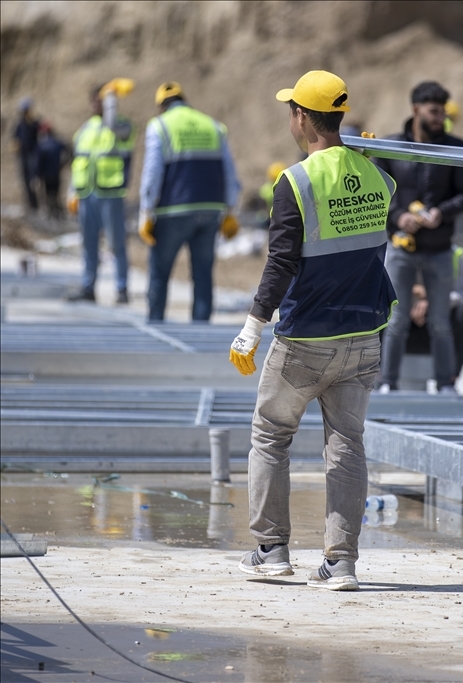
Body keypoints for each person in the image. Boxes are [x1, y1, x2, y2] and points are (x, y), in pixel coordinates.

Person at [228, 70, 396, 591]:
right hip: (365, 334)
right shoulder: (378, 176)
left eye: (291, 110)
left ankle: (271, 550)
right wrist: (366, 156)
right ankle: (341, 562)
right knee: (347, 443)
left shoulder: (294, 182)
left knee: (270, 434)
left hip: (306, 340)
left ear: (303, 117)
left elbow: (280, 264)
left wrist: (252, 327)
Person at [374, 81, 463, 393]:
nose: (440, 118)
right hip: (401, 249)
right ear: (416, 109)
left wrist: (440, 214)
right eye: (434, 111)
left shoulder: (456, 148)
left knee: (441, 322)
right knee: (396, 321)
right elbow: (380, 195)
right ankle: (387, 383)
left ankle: (445, 383)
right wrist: (399, 216)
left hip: (440, 249)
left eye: (443, 111)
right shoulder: (390, 148)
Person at [138, 81, 241, 322]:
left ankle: (156, 325)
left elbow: (152, 173)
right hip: (210, 210)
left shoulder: (159, 125)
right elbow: (229, 171)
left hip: (172, 210)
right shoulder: (213, 126)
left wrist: (146, 210)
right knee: (203, 274)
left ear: (161, 105)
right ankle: (201, 330)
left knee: (160, 273)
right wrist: (231, 209)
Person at [67, 80, 136, 303]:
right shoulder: (84, 130)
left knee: (116, 243)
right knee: (88, 244)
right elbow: (78, 161)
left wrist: (111, 102)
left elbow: (112, 127)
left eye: (102, 99)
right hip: (87, 195)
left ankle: (122, 288)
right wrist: (72, 192)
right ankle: (88, 287)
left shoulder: (121, 125)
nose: (98, 103)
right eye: (96, 99)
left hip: (111, 195)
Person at [404, 246, 463, 382]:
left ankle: (449, 380)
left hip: (437, 329)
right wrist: (406, 300)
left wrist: (434, 300)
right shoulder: (391, 250)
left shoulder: (450, 253)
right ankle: (381, 377)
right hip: (400, 330)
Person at [11, 97, 40, 211]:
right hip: (23, 155)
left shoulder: (34, 123)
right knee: (25, 179)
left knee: (34, 180)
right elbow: (15, 138)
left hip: (33, 154)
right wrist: (14, 145)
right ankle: (31, 204)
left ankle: (38, 204)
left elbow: (39, 137)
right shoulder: (19, 125)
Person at [35, 121, 69, 220]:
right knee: (56, 193)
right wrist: (64, 164)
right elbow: (68, 150)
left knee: (48, 194)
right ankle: (59, 213)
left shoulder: (41, 145)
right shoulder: (57, 142)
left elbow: (38, 162)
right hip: (56, 173)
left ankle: (51, 214)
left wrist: (37, 175)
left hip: (46, 175)